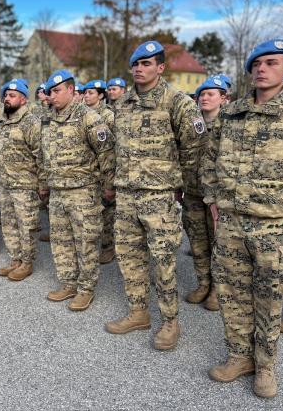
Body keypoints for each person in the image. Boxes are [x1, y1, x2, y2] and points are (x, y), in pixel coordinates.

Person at [202, 38, 283, 398]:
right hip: (231, 224)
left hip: (273, 227)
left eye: (271, 62)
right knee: (232, 296)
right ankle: (238, 356)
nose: (262, 69)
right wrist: (212, 198)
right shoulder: (231, 113)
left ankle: (265, 366)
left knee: (269, 299)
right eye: (257, 64)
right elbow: (209, 158)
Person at [105, 41, 207, 351]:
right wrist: (112, 181)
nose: (139, 68)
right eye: (136, 64)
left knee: (163, 261)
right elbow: (114, 149)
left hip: (159, 197)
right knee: (129, 256)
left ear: (160, 68)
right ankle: (138, 312)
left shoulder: (178, 103)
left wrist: (181, 187)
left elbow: (193, 150)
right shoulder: (121, 105)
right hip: (126, 196)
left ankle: (170, 321)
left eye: (147, 63)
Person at [42, 70, 114, 311]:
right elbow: (44, 156)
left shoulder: (89, 117)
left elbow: (106, 153)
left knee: (86, 242)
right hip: (57, 191)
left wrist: (108, 186)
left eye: (57, 91)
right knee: (61, 241)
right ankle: (69, 283)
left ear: (72, 91)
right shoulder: (47, 119)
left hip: (83, 191)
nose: (52, 96)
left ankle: (86, 289)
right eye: (50, 92)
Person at [182, 77, 230, 311]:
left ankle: (217, 290)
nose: (204, 97)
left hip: (218, 198)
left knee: (218, 243)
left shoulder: (230, 126)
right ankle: (203, 283)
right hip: (192, 193)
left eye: (211, 94)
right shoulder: (191, 124)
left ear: (224, 98)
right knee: (197, 242)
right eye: (202, 94)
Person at [0, 80, 46, 281]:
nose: (7, 98)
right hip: (5, 184)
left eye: (13, 95)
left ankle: (27, 262)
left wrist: (42, 185)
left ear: (23, 99)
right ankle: (15, 259)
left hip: (25, 185)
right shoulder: (1, 122)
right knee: (8, 224)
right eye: (6, 95)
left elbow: (40, 155)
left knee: (26, 226)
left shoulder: (31, 122)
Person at [83, 79, 116, 265]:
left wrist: (110, 177)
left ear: (101, 96)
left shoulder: (108, 116)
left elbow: (111, 147)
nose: (87, 96)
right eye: (85, 93)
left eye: (91, 93)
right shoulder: (82, 114)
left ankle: (108, 246)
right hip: (88, 173)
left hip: (103, 171)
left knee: (107, 212)